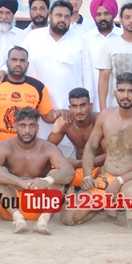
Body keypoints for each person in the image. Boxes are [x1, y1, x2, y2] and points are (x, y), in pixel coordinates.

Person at [75, 74, 132, 228]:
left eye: (130, 91)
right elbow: (90, 146)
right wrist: (87, 176)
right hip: (106, 177)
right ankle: (104, 205)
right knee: (69, 217)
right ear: (115, 93)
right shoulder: (105, 116)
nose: (125, 96)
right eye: (121, 91)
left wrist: (119, 181)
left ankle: (130, 215)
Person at [0, 107, 73, 234]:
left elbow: (69, 170)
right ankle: (18, 220)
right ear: (15, 127)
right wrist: (19, 182)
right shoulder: (4, 147)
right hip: (9, 206)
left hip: (38, 205)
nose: (27, 130)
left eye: (31, 126)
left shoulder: (47, 148)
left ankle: (43, 221)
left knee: (56, 174)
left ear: (37, 127)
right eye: (23, 125)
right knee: (0, 172)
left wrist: (47, 181)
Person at [0, 46, 61, 144]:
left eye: (22, 60)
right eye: (14, 60)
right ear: (7, 63)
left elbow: (47, 116)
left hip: (29, 146)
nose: (18, 64)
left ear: (27, 64)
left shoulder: (38, 87)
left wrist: (60, 113)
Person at [48, 88, 102, 223]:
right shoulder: (65, 122)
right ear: (69, 107)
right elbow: (48, 148)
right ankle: (47, 214)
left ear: (90, 106)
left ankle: (95, 199)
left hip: (100, 171)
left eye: (82, 106)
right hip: (79, 171)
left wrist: (77, 163)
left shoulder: (100, 121)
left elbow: (110, 156)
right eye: (74, 106)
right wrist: (63, 162)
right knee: (53, 173)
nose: (78, 111)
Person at [95, 0, 132, 112]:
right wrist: (103, 110)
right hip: (117, 110)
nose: (131, 21)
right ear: (121, 20)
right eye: (127, 17)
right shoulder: (110, 45)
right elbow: (103, 79)